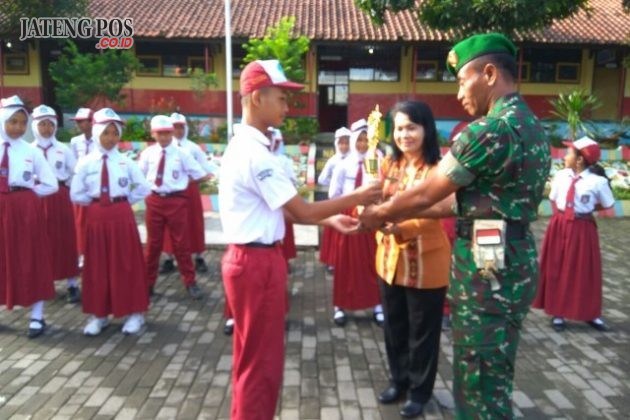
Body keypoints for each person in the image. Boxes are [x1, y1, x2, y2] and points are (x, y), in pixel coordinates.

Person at [359, 33, 551, 418]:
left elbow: (428, 192)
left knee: (477, 380)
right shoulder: (533, 127)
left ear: (490, 73)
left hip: (485, 269)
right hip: (512, 259)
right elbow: (455, 202)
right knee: (495, 369)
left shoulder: (489, 131)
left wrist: (381, 213)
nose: (460, 92)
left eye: (463, 80)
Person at [219, 59, 380, 420]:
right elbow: (303, 213)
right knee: (261, 365)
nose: (287, 108)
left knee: (252, 359)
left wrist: (332, 218)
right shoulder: (254, 154)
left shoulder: (251, 148)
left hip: (253, 259)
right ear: (257, 98)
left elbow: (288, 211)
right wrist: (358, 198)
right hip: (255, 262)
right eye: (281, 98)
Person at [374, 101, 450, 418]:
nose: (405, 135)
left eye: (412, 127)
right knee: (394, 328)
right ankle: (399, 380)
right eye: (400, 128)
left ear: (426, 129)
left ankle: (420, 391)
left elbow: (443, 209)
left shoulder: (439, 169)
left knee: (423, 333)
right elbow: (376, 199)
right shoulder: (389, 165)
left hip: (426, 264)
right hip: (389, 261)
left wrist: (399, 225)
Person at [70, 108, 151, 336]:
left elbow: (144, 187)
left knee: (126, 264)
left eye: (115, 133)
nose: (111, 138)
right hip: (96, 218)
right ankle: (99, 314)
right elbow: (76, 193)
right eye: (106, 132)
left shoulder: (126, 162)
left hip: (121, 216)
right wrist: (96, 203)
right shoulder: (85, 163)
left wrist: (123, 202)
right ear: (96, 134)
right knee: (97, 266)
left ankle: (135, 313)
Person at [533, 137, 614, 332]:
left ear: (579, 160)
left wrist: (583, 210)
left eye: (569, 153)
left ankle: (590, 313)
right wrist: (562, 216)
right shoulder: (561, 176)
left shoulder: (598, 182)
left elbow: (607, 204)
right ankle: (557, 312)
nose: (565, 155)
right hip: (559, 225)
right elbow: (553, 199)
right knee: (556, 266)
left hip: (582, 228)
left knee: (583, 270)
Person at [0, 95, 58, 338]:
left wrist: (28, 195)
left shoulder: (31, 152)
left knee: (31, 258)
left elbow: (51, 184)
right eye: (12, 121)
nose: (18, 127)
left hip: (25, 211)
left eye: (23, 122)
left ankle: (37, 316)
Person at [138, 115, 209, 300]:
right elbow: (139, 176)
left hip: (176, 201)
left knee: (181, 244)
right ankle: (147, 284)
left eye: (168, 133)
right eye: (160, 134)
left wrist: (183, 182)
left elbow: (201, 174)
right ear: (153, 134)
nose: (164, 137)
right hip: (154, 201)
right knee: (153, 244)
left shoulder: (182, 153)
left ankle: (190, 282)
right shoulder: (148, 154)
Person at [328, 118, 383, 327]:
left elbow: (382, 185)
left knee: (372, 261)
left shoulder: (377, 159)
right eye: (359, 140)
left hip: (371, 214)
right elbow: (334, 192)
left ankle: (377, 304)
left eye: (366, 140)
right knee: (344, 262)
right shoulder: (344, 163)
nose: (362, 144)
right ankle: (339, 306)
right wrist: (347, 207)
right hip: (350, 215)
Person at [30, 104, 81, 303]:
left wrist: (66, 189)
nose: (46, 128)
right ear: (35, 126)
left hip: (60, 199)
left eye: (50, 124)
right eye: (42, 124)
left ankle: (72, 284)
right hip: (36, 198)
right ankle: (43, 283)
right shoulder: (29, 150)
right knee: (40, 242)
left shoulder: (63, 149)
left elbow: (74, 172)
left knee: (65, 240)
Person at [159, 112, 216, 275]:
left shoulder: (193, 148)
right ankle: (169, 258)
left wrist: (193, 180)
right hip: (171, 192)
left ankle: (198, 256)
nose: (178, 131)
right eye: (174, 127)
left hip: (190, 191)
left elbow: (206, 170)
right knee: (169, 225)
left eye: (181, 127)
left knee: (194, 223)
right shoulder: (162, 149)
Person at [317, 126, 351, 271]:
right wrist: (335, 184)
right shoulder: (333, 160)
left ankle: (348, 261)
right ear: (336, 144)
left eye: (346, 143)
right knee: (335, 234)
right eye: (341, 143)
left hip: (352, 202)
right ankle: (333, 261)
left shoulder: (355, 159)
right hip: (336, 202)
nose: (344, 146)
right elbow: (321, 179)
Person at [70, 107, 95, 260]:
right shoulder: (75, 141)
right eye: (77, 122)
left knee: (94, 221)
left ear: (92, 122)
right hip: (81, 185)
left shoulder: (100, 141)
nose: (79, 125)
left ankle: (94, 252)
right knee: (79, 222)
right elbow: (74, 164)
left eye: (82, 121)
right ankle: (81, 254)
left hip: (94, 185)